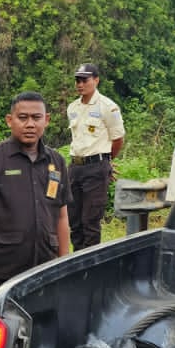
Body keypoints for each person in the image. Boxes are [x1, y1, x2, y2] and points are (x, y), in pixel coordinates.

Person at [0, 92, 72, 295]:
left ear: (46, 120)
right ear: (9, 120)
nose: (30, 124)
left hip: (45, 268)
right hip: (1, 270)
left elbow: (62, 215)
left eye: (36, 118)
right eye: (23, 118)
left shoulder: (56, 162)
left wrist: (63, 261)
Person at [64, 63, 125, 250]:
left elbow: (118, 139)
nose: (80, 84)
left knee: (90, 221)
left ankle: (89, 266)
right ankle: (76, 260)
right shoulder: (73, 107)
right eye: (77, 80)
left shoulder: (108, 107)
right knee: (74, 220)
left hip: (96, 168)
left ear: (96, 80)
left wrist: (106, 161)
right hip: (75, 167)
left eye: (85, 80)